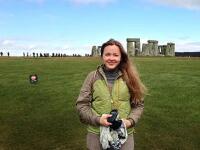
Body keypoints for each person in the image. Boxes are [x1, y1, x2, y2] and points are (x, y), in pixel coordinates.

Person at [76, 39, 147, 150]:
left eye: (115, 55)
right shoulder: (92, 77)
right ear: (102, 56)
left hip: (124, 133)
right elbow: (82, 105)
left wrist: (129, 121)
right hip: (96, 133)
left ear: (121, 57)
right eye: (107, 54)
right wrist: (98, 119)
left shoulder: (130, 77)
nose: (111, 58)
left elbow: (138, 104)